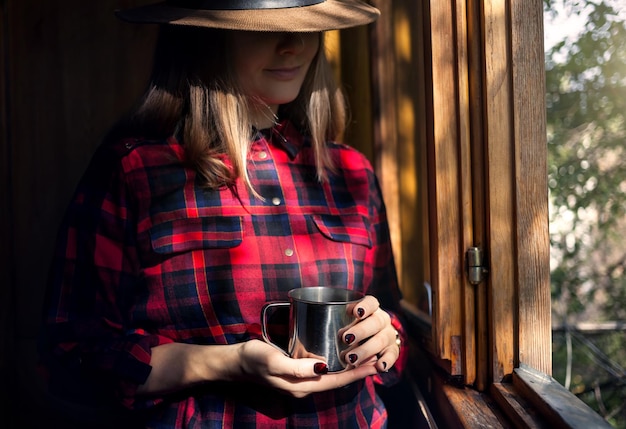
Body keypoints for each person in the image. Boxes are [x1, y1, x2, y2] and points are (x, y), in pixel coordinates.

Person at [39, 0, 408, 427]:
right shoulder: (133, 172)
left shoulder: (352, 173)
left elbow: (391, 316)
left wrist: (385, 339)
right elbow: (70, 357)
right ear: (207, 38)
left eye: (309, 26)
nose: (295, 45)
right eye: (263, 28)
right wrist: (227, 363)